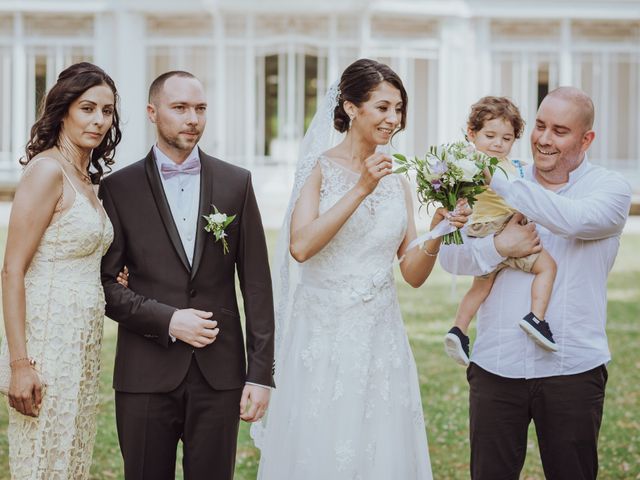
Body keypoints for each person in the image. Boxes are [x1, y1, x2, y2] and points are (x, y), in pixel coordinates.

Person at [252, 58, 470, 479]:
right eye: (383, 107)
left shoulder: (399, 181)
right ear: (351, 108)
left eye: (399, 109)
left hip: (380, 337)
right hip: (323, 335)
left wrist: (437, 231)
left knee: (380, 447)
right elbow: (301, 246)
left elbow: (412, 273)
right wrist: (361, 188)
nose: (394, 119)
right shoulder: (317, 170)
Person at [440, 86, 632, 480]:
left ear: (586, 138)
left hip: (572, 370)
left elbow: (572, 220)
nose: (544, 139)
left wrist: (501, 184)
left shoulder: (609, 190)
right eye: (540, 125)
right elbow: (451, 257)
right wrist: (497, 246)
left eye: (560, 131)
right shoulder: (498, 175)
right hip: (495, 366)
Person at [99, 70, 274, 480]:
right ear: (152, 112)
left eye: (199, 108)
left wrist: (261, 373)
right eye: (179, 108)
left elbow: (258, 286)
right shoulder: (118, 189)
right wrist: (169, 319)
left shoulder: (237, 183)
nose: (192, 118)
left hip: (220, 376)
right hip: (144, 374)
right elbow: (104, 286)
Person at [1, 62, 120, 479]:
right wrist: (20, 364)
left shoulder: (85, 179)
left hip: (82, 346)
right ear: (63, 110)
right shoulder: (47, 171)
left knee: (71, 461)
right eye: (87, 108)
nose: (99, 120)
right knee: (42, 462)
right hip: (47, 343)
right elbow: (12, 269)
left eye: (106, 111)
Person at [444, 96, 558, 367]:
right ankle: (536, 318)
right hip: (498, 226)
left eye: (506, 138)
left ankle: (458, 329)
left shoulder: (495, 163)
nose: (498, 144)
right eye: (490, 135)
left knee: (481, 286)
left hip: (480, 231)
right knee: (548, 268)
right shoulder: (482, 163)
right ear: (472, 134)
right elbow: (516, 196)